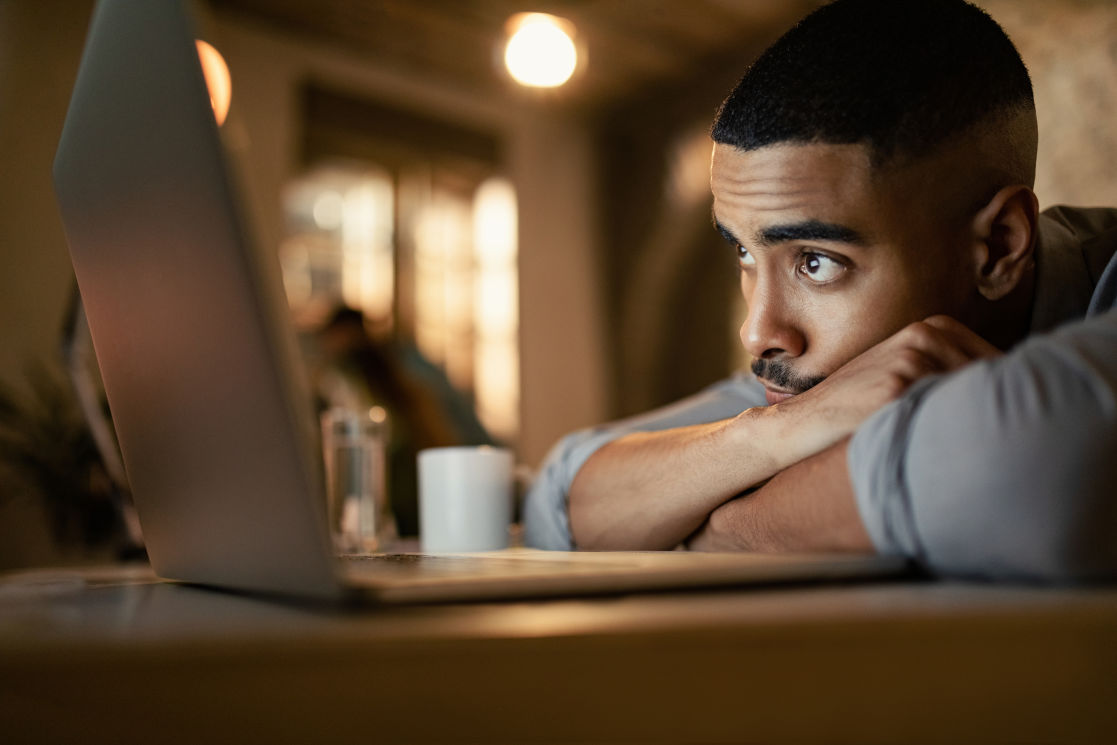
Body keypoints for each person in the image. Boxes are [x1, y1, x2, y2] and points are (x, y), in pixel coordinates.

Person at [522, 0, 1117, 582]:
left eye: (815, 262)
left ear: (999, 247)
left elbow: (1045, 468)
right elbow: (565, 498)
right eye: (745, 253)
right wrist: (766, 435)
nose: (757, 332)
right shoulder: (839, 370)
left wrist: (728, 531)